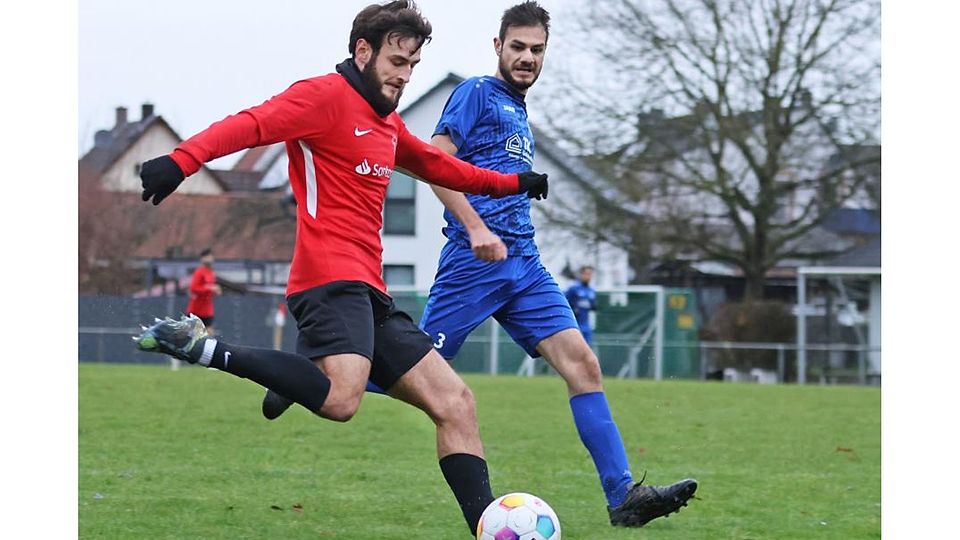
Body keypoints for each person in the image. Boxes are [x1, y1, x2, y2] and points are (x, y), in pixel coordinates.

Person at [132, 1, 549, 535]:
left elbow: (439, 166)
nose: (405, 75)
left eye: (413, 65)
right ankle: (203, 347)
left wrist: (513, 183)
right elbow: (250, 125)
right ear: (363, 51)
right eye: (397, 61)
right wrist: (181, 161)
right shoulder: (323, 97)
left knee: (456, 403)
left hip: (369, 289)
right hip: (327, 279)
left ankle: (488, 528)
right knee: (341, 400)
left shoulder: (387, 122)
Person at [418, 1, 696, 528]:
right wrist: (475, 227)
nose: (527, 57)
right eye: (518, 47)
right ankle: (320, 375)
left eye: (537, 49)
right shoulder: (477, 93)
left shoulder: (518, 108)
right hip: (474, 264)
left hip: (525, 265)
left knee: (583, 365)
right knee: (410, 370)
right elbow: (435, 162)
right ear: (498, 46)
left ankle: (623, 497)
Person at [187, 248, 222, 335]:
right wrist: (209, 289)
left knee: (209, 333)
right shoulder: (199, 272)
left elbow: (211, 288)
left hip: (207, 310)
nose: (210, 259)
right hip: (196, 310)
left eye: (210, 256)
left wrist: (216, 291)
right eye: (207, 257)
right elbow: (194, 288)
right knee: (193, 334)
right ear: (202, 259)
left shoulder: (211, 273)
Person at [565, 265, 596, 346]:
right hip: (574, 325)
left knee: (587, 348)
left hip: (586, 326)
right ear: (581, 274)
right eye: (586, 274)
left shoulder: (591, 291)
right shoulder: (573, 289)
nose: (588, 276)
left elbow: (592, 308)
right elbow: (564, 303)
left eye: (590, 274)